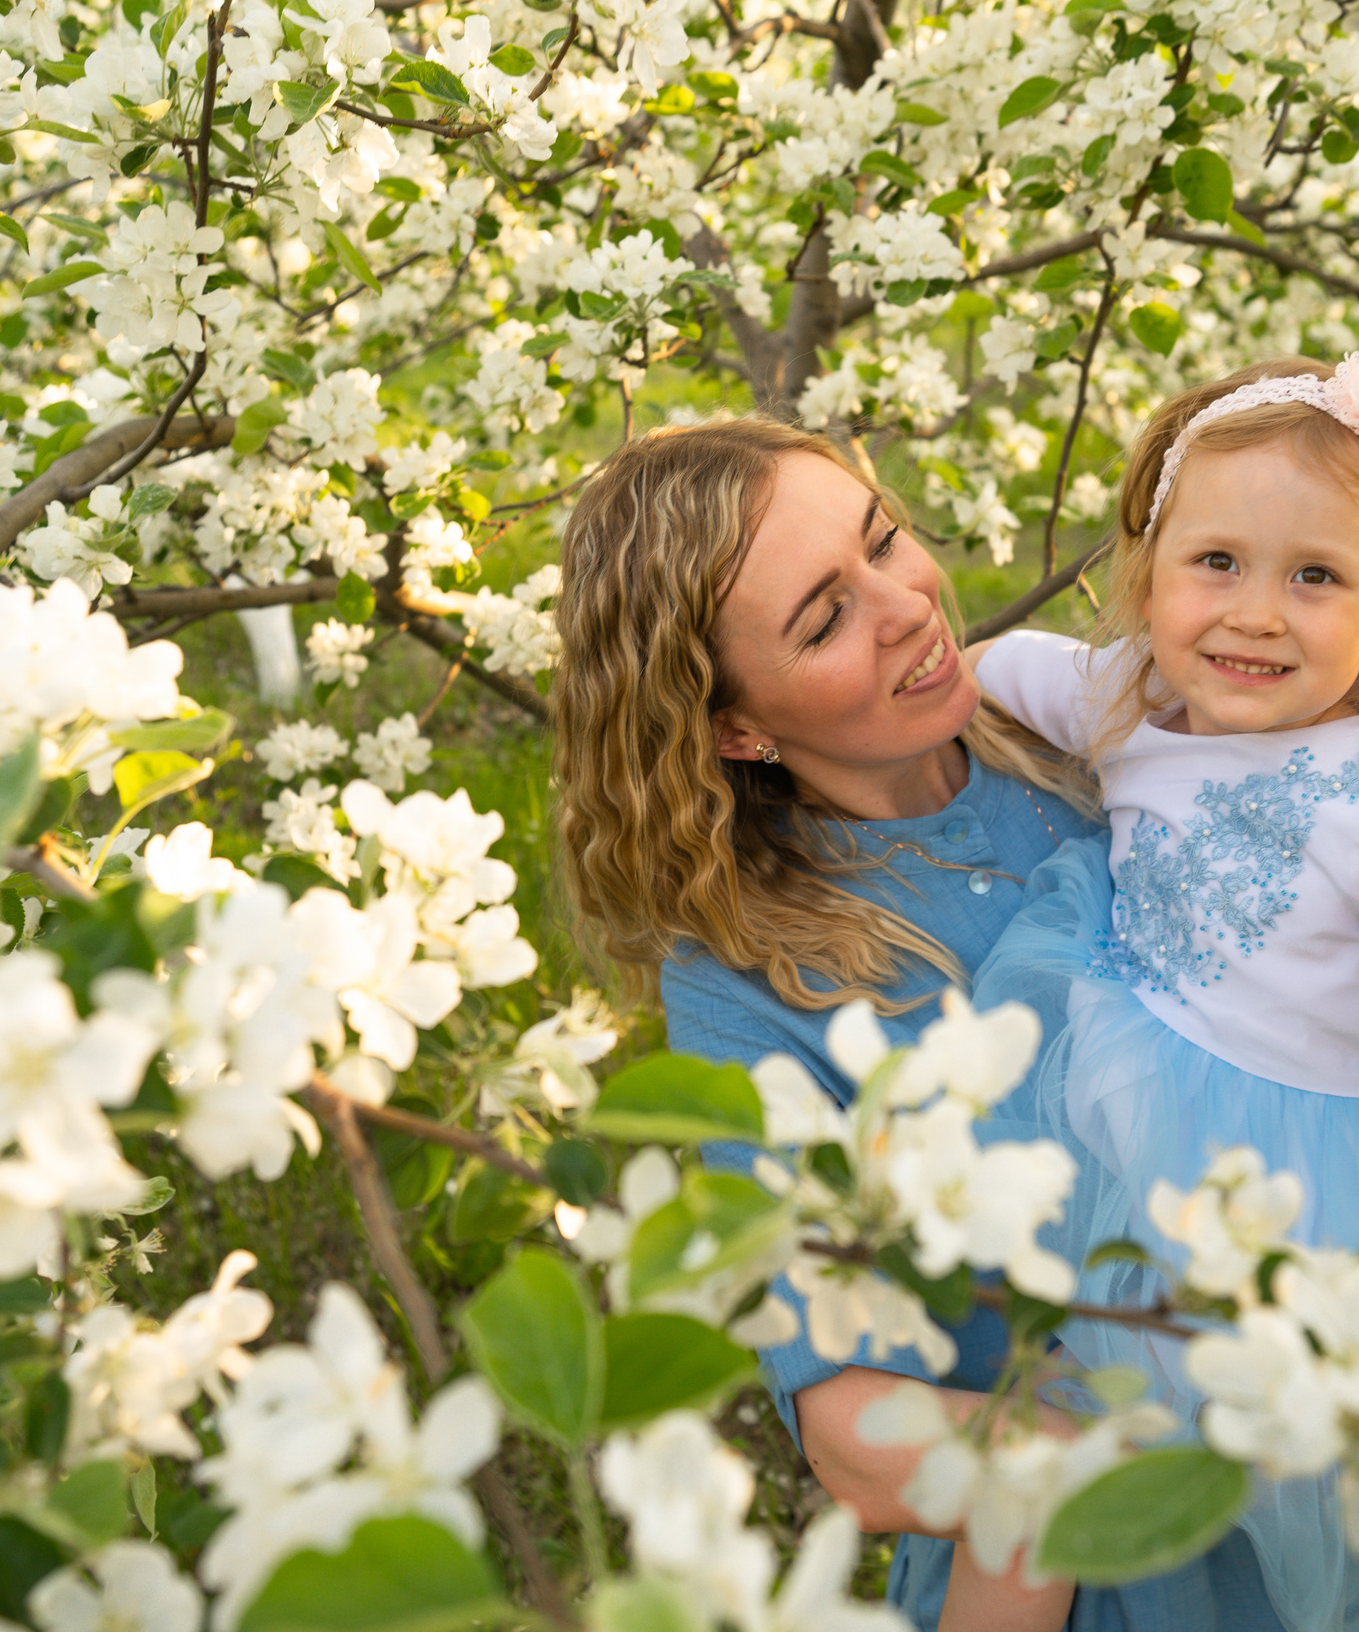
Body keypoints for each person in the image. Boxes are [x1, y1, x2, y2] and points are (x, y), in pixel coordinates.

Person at [552, 417, 1289, 1630]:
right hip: (1094, 1535)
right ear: (736, 728)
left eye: (882, 541)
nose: (902, 605)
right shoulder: (745, 981)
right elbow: (849, 1435)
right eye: (822, 619)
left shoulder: (1081, 731)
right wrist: (1105, 1469)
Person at [965, 355, 1359, 1632]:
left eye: (1314, 576)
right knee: (1130, 1404)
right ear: (1146, 574)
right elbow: (985, 668)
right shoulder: (1124, 695)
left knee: (1336, 1479)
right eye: (1215, 562)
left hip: (1329, 1183)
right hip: (1129, 1113)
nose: (1254, 614)